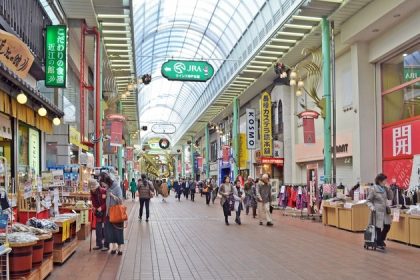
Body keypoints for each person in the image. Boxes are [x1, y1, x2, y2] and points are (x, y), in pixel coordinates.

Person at [99, 172, 124, 255]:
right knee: (110, 232)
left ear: (108, 182)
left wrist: (112, 196)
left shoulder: (117, 188)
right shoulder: (108, 189)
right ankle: (113, 247)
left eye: (104, 184)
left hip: (117, 214)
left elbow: (120, 201)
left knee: (118, 231)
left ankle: (119, 248)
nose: (103, 186)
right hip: (109, 214)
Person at [366, 173, 393, 249]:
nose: (386, 182)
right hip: (377, 211)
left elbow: (390, 198)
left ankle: (380, 240)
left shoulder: (385, 188)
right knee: (378, 227)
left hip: (385, 211)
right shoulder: (373, 189)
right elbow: (368, 200)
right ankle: (379, 242)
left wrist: (389, 189)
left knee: (387, 226)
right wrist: (372, 207)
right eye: (385, 180)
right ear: (380, 181)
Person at [89, 179, 108, 251]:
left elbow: (107, 202)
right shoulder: (92, 193)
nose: (92, 190)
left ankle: (106, 245)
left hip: (105, 212)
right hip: (98, 212)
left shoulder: (103, 191)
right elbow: (94, 203)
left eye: (93, 188)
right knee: (98, 228)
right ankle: (99, 244)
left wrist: (102, 207)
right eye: (91, 189)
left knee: (106, 229)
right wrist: (94, 208)